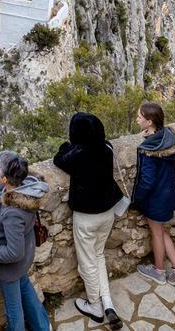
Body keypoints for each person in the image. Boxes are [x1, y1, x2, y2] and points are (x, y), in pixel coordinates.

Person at [54, 112, 126, 330]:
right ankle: (108, 304)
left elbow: (59, 157)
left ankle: (95, 305)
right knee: (99, 255)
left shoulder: (77, 156)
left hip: (86, 217)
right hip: (107, 213)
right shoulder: (106, 149)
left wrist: (68, 145)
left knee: (87, 262)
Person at [0, 149, 51, 331]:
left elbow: (14, 252)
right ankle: (43, 327)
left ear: (4, 179)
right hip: (23, 262)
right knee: (26, 290)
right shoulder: (23, 183)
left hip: (10, 267)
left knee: (14, 309)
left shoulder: (13, 212)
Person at [132, 102, 175, 288]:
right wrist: (152, 136)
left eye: (140, 117)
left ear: (149, 122)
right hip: (168, 195)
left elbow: (147, 180)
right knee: (161, 231)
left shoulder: (148, 150)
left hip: (155, 199)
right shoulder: (169, 136)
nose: (137, 119)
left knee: (157, 234)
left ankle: (159, 272)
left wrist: (136, 199)